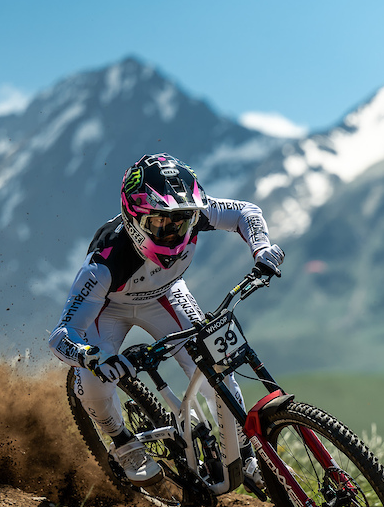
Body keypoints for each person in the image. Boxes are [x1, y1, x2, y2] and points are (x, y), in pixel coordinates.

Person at [49, 153, 284, 487]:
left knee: (217, 370)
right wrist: (90, 357)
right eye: (160, 224)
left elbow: (247, 212)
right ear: (133, 218)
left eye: (182, 223)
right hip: (110, 308)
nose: (174, 232)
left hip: (167, 294)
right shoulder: (103, 265)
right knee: (93, 381)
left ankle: (244, 455)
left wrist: (261, 249)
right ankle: (123, 442)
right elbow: (62, 335)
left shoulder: (193, 211)